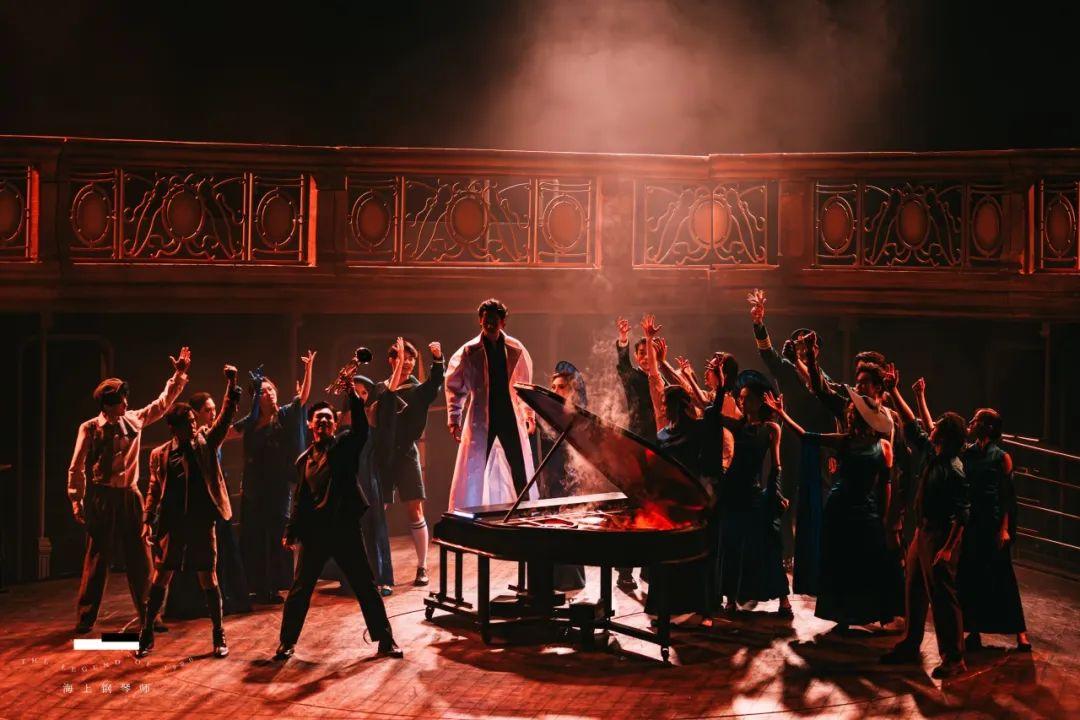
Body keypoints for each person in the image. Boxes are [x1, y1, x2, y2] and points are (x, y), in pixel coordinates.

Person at [67, 347, 190, 634]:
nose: (125, 403)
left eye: (125, 398)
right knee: (98, 557)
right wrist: (76, 499)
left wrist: (178, 375)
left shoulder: (134, 419)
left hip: (130, 495)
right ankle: (86, 616)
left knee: (140, 557)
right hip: (103, 496)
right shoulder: (90, 429)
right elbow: (76, 466)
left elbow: (162, 404)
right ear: (108, 405)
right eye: (120, 400)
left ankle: (151, 615)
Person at [275, 396, 403, 661]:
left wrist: (352, 396)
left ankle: (386, 640)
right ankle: (286, 643)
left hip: (345, 530)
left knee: (365, 586)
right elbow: (300, 499)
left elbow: (361, 430)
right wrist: (290, 530)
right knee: (299, 591)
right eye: (318, 418)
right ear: (310, 424)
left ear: (334, 425)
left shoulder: (344, 447)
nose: (323, 420)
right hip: (315, 534)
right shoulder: (304, 461)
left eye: (328, 418)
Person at [765, 388, 900, 628]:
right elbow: (807, 437)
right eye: (850, 414)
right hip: (840, 508)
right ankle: (842, 616)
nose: (849, 417)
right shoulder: (844, 441)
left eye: (853, 414)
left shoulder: (884, 446)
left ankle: (873, 612)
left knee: (869, 561)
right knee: (841, 562)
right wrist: (782, 414)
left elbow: (885, 485)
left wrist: (885, 516)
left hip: (866, 510)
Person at [137, 364, 241, 658]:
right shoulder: (159, 455)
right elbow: (153, 488)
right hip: (172, 524)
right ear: (174, 428)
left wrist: (231, 385)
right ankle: (146, 632)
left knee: (208, 577)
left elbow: (224, 419)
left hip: (200, 521)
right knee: (161, 576)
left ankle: (218, 633)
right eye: (188, 424)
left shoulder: (205, 444)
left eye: (195, 422)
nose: (194, 427)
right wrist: (148, 518)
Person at [880, 366, 970, 679]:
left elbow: (962, 514)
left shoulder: (953, 469)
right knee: (914, 588)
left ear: (944, 436)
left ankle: (954, 659)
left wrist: (947, 549)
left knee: (942, 597)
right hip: (924, 532)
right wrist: (897, 391)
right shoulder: (935, 453)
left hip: (941, 535)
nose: (930, 428)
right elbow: (913, 425)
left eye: (937, 427)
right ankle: (910, 644)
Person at [748, 289, 837, 596]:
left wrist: (832, 452)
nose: (801, 346)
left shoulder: (823, 378)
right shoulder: (787, 370)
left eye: (807, 344)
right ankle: (784, 552)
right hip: (790, 442)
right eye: (797, 343)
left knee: (815, 499)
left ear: (815, 351)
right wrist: (759, 324)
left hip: (816, 445)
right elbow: (768, 354)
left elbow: (831, 413)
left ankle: (813, 555)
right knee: (783, 496)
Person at [233, 351, 315, 604]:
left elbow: (303, 398)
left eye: (270, 389)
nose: (269, 393)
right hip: (255, 486)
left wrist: (309, 369)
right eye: (263, 391)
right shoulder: (251, 422)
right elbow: (227, 432)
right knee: (255, 536)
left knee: (278, 533)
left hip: (279, 485)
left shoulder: (286, 414)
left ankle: (277, 585)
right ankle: (257, 586)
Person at [445, 298, 536, 510]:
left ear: (503, 322)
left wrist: (529, 415)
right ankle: (469, 513)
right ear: (480, 320)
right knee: (475, 468)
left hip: (508, 414)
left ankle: (527, 510)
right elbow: (455, 386)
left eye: (494, 320)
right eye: (486, 319)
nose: (490, 324)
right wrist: (454, 418)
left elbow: (525, 386)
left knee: (518, 465)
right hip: (481, 417)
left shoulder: (515, 348)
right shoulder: (469, 351)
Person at [716, 369, 791, 616]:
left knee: (768, 542)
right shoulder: (737, 426)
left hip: (753, 491)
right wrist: (720, 386)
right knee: (732, 544)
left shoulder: (771, 429)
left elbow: (777, 466)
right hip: (732, 491)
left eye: (747, 397)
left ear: (759, 401)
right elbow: (713, 414)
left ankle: (784, 600)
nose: (742, 401)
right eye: (741, 397)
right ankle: (730, 599)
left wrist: (776, 494)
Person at [371, 338, 445, 587]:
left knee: (415, 509)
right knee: (377, 510)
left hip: (406, 453)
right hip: (382, 455)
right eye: (402, 357)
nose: (407, 362)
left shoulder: (418, 390)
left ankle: (422, 566)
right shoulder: (380, 389)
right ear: (391, 360)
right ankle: (377, 569)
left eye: (411, 358)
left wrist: (437, 359)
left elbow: (435, 382)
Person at [958, 407, 1031, 652]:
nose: (971, 422)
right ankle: (974, 630)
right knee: (973, 576)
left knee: (1003, 576)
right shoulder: (968, 453)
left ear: (988, 427)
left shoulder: (1001, 457)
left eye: (977, 420)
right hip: (972, 522)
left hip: (992, 522)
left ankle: (1021, 634)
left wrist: (1004, 529)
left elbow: (1007, 497)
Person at [189, 390, 251, 615]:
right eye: (208, 410)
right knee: (207, 556)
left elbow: (237, 422)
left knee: (226, 551)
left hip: (217, 501)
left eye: (214, 409)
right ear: (195, 413)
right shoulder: (194, 439)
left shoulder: (214, 433)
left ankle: (228, 598)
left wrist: (253, 399)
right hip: (200, 504)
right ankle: (205, 602)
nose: (213, 413)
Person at [539, 361, 588, 592]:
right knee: (550, 529)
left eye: (561, 387)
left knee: (569, 528)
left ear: (571, 390)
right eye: (554, 387)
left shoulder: (576, 414)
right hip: (550, 479)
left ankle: (571, 580)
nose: (556, 391)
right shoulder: (546, 414)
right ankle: (551, 579)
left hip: (570, 478)